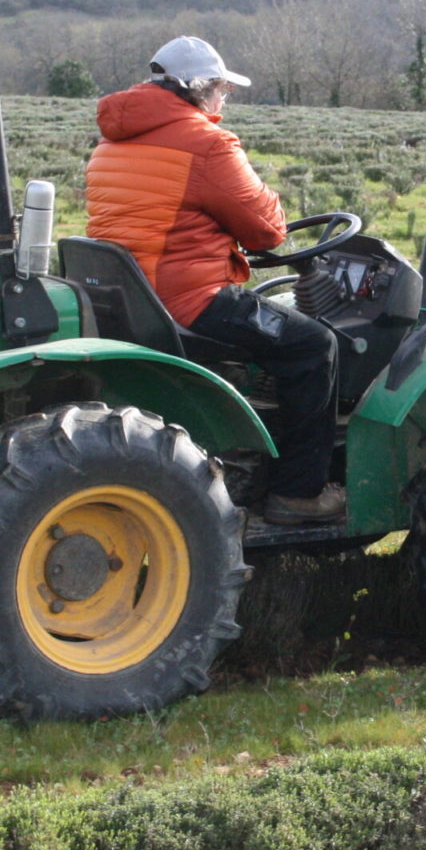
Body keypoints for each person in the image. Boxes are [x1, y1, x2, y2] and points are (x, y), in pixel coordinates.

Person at [83, 36, 344, 525]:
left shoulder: (113, 139)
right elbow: (267, 229)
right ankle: (299, 493)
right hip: (186, 299)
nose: (224, 100)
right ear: (198, 89)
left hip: (131, 296)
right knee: (315, 346)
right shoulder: (204, 143)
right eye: (222, 89)